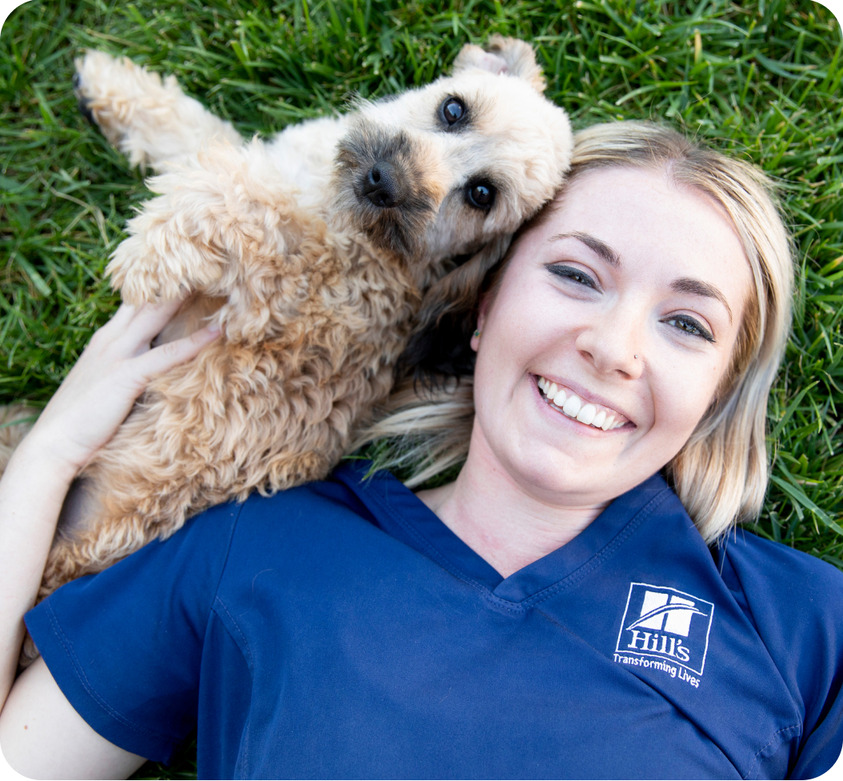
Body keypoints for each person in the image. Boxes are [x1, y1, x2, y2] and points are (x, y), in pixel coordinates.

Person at [0, 121, 841, 780]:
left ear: (716, 394)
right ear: (483, 307)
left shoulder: (807, 625)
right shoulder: (253, 546)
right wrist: (47, 459)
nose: (615, 347)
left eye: (685, 324)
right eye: (577, 275)